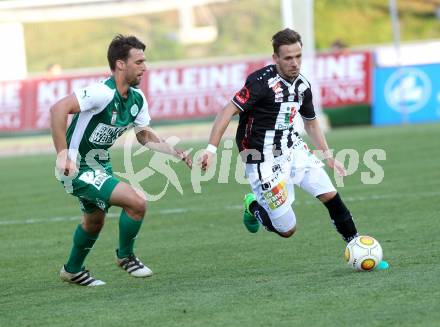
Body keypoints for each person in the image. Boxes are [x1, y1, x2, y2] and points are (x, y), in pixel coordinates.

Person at [198, 28, 388, 270]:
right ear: (275, 58)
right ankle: (252, 205)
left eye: (298, 56)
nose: (295, 63)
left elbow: (310, 121)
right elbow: (227, 111)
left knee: (330, 195)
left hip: (293, 148)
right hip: (261, 161)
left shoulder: (303, 86)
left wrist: (328, 156)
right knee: (287, 230)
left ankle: (357, 247)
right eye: (288, 58)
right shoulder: (260, 83)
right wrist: (211, 149)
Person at [50, 35, 192, 286]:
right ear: (120, 64)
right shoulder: (101, 93)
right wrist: (62, 154)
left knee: (94, 221)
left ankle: (72, 270)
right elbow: (58, 109)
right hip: (77, 168)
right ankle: (125, 257)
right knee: (136, 202)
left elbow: (144, 135)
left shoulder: (137, 100)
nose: (144, 67)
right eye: (138, 62)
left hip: (99, 165)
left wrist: (174, 151)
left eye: (144, 62)